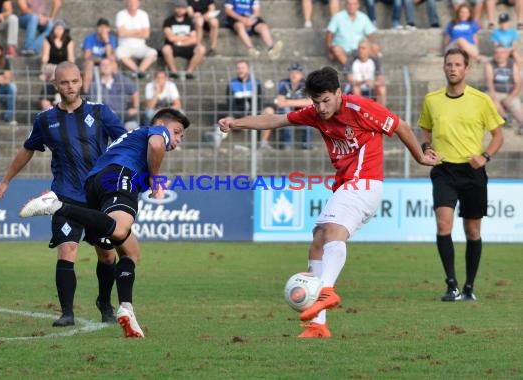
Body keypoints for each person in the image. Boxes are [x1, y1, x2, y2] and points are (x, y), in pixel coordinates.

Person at [218, 66, 439, 338]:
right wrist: (236, 123)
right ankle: (318, 324)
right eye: (315, 102)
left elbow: (399, 126)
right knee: (318, 240)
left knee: (332, 232)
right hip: (348, 185)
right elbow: (276, 120)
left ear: (338, 93)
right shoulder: (314, 114)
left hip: (365, 182)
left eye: (326, 101)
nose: (321, 108)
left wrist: (419, 156)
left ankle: (325, 291)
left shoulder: (360, 108)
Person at [19, 107, 190, 338]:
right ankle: (56, 205)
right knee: (119, 231)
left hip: (95, 183)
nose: (177, 139)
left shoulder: (131, 139)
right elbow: (157, 145)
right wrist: (155, 178)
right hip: (118, 175)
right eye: (177, 132)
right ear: (161, 123)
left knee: (131, 251)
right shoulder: (156, 130)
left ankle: (126, 308)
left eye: (181, 136)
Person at [0, 61, 130, 328]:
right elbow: (27, 149)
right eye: (64, 82)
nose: (70, 87)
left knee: (106, 255)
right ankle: (67, 312)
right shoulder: (46, 119)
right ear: (55, 85)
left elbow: (126, 142)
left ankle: (104, 303)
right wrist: (6, 180)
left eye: (75, 81)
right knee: (67, 250)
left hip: (98, 198)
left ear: (82, 82)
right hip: (64, 198)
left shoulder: (100, 112)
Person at [418, 48, 504, 302]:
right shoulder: (432, 99)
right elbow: (425, 128)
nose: (453, 68)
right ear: (444, 68)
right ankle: (451, 284)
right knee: (444, 224)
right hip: (444, 170)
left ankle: (469, 287)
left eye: (457, 64)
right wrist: (427, 147)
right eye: (449, 64)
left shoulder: (481, 99)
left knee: (472, 231)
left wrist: (485, 156)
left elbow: (498, 135)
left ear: (467, 69)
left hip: (473, 171)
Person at [89, 58, 140, 131]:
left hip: (124, 115)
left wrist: (135, 107)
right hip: (104, 118)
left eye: (108, 64)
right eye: (103, 65)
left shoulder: (121, 79)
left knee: (133, 128)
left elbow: (135, 91)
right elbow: (93, 103)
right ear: (100, 68)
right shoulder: (95, 84)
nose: (106, 67)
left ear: (112, 66)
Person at [326, 0, 380, 66]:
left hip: (359, 49)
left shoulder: (364, 17)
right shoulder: (337, 17)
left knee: (375, 47)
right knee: (336, 49)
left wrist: (367, 46)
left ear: (358, 5)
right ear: (345, 5)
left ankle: (374, 70)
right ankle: (350, 68)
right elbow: (329, 33)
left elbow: (370, 35)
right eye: (349, 4)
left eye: (354, 4)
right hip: (343, 49)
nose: (351, 6)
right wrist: (329, 50)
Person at [161, 0, 206, 80]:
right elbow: (170, 38)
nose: (180, 10)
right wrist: (186, 37)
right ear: (175, 8)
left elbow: (194, 39)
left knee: (201, 49)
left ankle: (189, 72)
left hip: (186, 46)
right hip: (173, 47)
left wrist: (179, 41)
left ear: (185, 9)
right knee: (165, 49)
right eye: (178, 7)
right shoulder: (168, 21)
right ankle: (173, 72)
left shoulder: (190, 22)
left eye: (182, 8)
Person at [115, 0, 158, 78]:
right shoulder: (121, 14)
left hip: (141, 46)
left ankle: (139, 71)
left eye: (135, 2)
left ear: (139, 3)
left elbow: (146, 34)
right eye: (130, 2)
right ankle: (138, 71)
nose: (132, 4)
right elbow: (121, 33)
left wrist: (127, 32)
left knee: (153, 53)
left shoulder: (143, 14)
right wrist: (138, 31)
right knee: (118, 53)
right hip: (125, 46)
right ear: (126, 3)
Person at [485, 45, 523, 133]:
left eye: (502, 52)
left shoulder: (512, 64)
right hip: (495, 92)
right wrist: (492, 92)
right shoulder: (490, 64)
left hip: (509, 93)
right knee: (490, 97)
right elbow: (489, 80)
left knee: (516, 106)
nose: (499, 55)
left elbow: (518, 83)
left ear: (506, 54)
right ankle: (505, 118)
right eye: (496, 52)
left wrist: (511, 96)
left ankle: (521, 123)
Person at [276, 63, 314, 150]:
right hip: (288, 111)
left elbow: (310, 102)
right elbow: (280, 102)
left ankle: (307, 145)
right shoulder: (284, 83)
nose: (294, 75)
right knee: (285, 112)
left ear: (301, 74)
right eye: (292, 72)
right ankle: (287, 145)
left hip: (301, 111)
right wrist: (299, 102)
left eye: (296, 73)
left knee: (309, 112)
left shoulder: (306, 84)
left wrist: (288, 102)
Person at [39, 19, 74, 110]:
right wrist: (43, 66)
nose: (59, 31)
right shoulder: (48, 40)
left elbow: (71, 58)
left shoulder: (68, 41)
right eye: (57, 28)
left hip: (63, 67)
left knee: (60, 71)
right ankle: (58, 94)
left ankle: (57, 94)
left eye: (61, 29)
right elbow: (45, 57)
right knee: (57, 70)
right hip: (50, 66)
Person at [343, 39, 386, 106]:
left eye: (363, 48)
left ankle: (380, 113)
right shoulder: (351, 60)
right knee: (356, 88)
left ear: (369, 50)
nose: (360, 50)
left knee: (381, 89)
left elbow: (380, 79)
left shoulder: (375, 61)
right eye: (359, 48)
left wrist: (374, 83)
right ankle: (360, 113)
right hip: (353, 90)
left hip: (370, 89)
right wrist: (363, 82)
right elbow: (350, 80)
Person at [81, 18, 118, 94]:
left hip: (105, 61)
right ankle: (86, 93)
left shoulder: (111, 39)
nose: (102, 30)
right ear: (97, 29)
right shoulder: (90, 38)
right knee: (89, 64)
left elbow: (110, 56)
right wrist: (101, 60)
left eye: (105, 27)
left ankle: (114, 91)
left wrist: (107, 41)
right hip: (93, 62)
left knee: (114, 64)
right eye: (100, 27)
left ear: (108, 29)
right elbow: (87, 56)